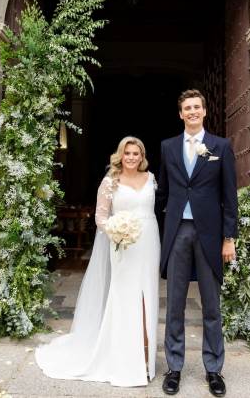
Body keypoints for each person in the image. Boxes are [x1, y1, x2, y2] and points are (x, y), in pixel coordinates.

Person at [35, 136, 160, 387]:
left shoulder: (151, 179)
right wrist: (117, 230)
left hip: (149, 241)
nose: (132, 158)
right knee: (124, 296)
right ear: (120, 156)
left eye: (136, 153)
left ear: (142, 156)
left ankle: (146, 357)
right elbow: (100, 218)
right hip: (122, 243)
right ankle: (123, 358)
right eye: (128, 153)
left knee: (149, 295)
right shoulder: (110, 182)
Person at [155, 90, 238, 397]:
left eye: (196, 107)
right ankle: (174, 368)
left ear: (204, 111)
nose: (191, 112)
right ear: (180, 114)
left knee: (211, 306)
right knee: (174, 304)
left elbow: (229, 195)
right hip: (177, 232)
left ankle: (214, 369)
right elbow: (163, 193)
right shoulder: (168, 147)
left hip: (210, 234)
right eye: (186, 108)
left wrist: (228, 238)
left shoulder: (220, 147)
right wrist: (156, 230)